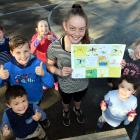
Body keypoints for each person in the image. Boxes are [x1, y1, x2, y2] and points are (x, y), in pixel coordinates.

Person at [47, 3, 93, 126]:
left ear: (86, 28)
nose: (77, 33)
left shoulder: (90, 44)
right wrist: (59, 72)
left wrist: (116, 64)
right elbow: (49, 65)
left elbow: (101, 63)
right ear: (65, 26)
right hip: (65, 86)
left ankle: (77, 109)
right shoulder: (54, 47)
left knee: (78, 99)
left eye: (81, 29)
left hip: (83, 84)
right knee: (65, 101)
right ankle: (66, 111)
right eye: (72, 28)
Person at [0, 33, 54, 104]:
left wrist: (44, 74)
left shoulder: (38, 64)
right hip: (18, 103)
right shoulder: (8, 67)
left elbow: (50, 84)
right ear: (12, 53)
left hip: (35, 99)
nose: (23, 56)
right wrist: (1, 77)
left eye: (25, 51)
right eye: (18, 52)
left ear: (30, 49)